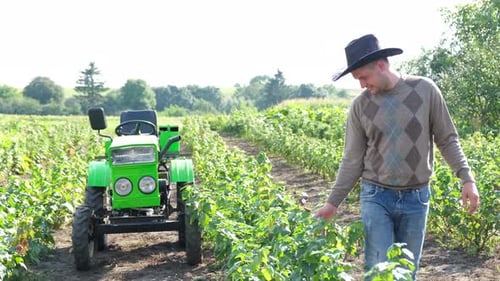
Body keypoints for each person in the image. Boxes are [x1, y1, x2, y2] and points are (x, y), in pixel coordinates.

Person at [313, 34, 480, 280]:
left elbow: (447, 138)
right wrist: (332, 203)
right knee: (378, 269)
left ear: (381, 65)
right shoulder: (360, 106)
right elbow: (352, 159)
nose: (361, 85)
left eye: (363, 77)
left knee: (405, 273)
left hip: (417, 198)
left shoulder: (425, 90)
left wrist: (467, 178)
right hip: (376, 196)